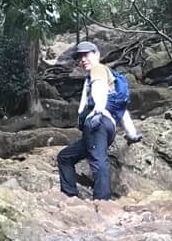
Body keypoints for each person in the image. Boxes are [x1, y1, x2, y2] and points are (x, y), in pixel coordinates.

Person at [57, 42, 139, 200]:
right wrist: (132, 134)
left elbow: (99, 88)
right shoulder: (109, 76)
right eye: (80, 57)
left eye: (86, 54)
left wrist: (98, 111)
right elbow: (121, 108)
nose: (82, 59)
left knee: (98, 160)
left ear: (97, 54)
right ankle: (70, 196)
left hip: (98, 123)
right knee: (65, 157)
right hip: (106, 126)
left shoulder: (98, 69)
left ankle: (102, 201)